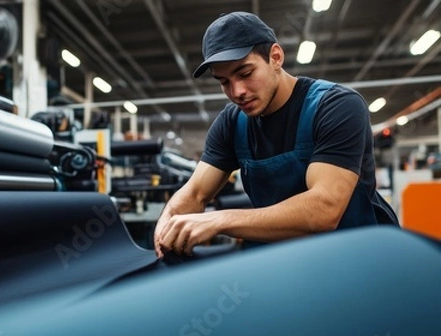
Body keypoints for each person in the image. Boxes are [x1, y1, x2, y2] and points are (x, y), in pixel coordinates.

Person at [153, 12, 399, 258]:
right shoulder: (232, 123)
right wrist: (168, 220)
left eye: (245, 73)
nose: (237, 92)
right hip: (290, 262)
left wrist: (220, 220)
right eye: (224, 81)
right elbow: (195, 193)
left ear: (276, 57)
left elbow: (325, 209)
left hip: (362, 260)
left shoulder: (336, 107)